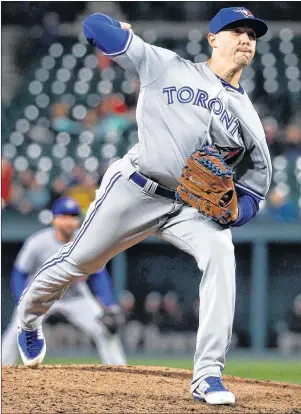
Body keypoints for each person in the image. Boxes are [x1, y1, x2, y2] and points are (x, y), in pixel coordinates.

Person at [17, 7, 272, 406]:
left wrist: (236, 213)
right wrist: (115, 28)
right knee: (78, 263)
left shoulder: (249, 119)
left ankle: (207, 374)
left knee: (222, 251)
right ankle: (29, 320)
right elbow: (92, 27)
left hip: (189, 206)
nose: (245, 39)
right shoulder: (167, 66)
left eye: (252, 36)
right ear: (213, 39)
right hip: (135, 189)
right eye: (236, 31)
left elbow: (256, 191)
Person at [3, 196, 126, 366]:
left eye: (73, 216)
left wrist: (110, 305)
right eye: (64, 216)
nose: (70, 221)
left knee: (105, 330)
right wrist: (21, 300)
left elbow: (99, 275)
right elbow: (19, 273)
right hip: (41, 296)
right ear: (54, 219)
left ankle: (120, 374)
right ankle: (3, 371)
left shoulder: (85, 242)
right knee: (16, 330)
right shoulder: (38, 242)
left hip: (75, 296)